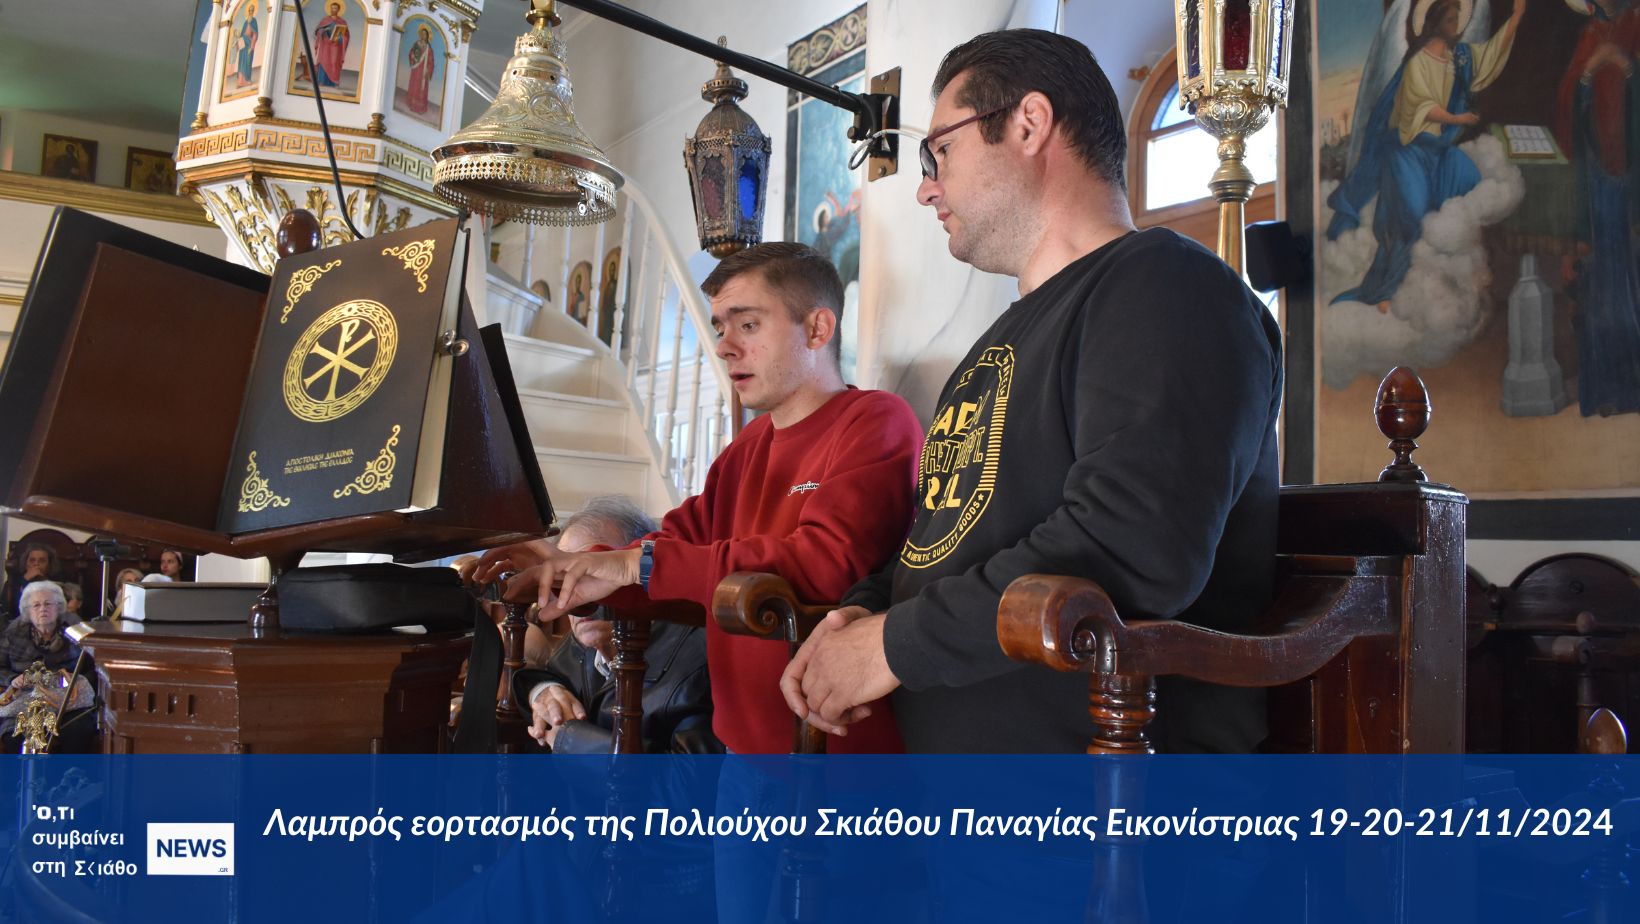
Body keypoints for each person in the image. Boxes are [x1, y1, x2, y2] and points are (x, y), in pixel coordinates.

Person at [781, 29, 1284, 755]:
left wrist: (892, 646)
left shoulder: (1169, 288)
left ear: (1028, 124)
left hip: (1111, 799)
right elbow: (942, 540)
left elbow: (1132, 543)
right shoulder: (1005, 337)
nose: (926, 186)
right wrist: (861, 615)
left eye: (940, 151)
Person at [469, 241, 922, 755]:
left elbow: (826, 563)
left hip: (837, 756)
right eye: (720, 328)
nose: (725, 347)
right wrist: (570, 567)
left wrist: (635, 564)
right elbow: (674, 546)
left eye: (747, 324)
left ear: (817, 329)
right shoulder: (748, 446)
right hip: (740, 752)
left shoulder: (876, 421)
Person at [1327, 0, 1526, 310]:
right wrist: (1458, 119)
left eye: (1457, 20)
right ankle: (1387, 290)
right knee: (1413, 215)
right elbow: (1420, 108)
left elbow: (1489, 56)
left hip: (1439, 151)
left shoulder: (1459, 58)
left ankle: (1442, 287)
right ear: (1434, 23)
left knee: (1469, 181)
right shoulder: (1417, 63)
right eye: (1449, 20)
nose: (1455, 26)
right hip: (1408, 152)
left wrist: (1516, 18)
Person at [511, 496, 720, 754]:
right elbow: (548, 675)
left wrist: (573, 742)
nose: (577, 597)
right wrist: (542, 691)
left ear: (637, 575)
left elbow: (690, 775)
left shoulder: (698, 661)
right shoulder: (580, 645)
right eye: (564, 579)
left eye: (590, 574)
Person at [1555, 0, 1640, 417]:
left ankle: (1630, 386)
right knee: (1602, 279)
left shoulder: (1635, 23)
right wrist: (1591, 70)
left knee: (1629, 275)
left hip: (1629, 176)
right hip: (1596, 176)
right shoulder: (1590, 33)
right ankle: (1605, 387)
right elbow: (1568, 99)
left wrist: (1623, 66)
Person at [4, 544, 59, 624]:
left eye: (42, 561)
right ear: (26, 563)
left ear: (49, 565)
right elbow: (8, 608)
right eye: (32, 560)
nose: (36, 564)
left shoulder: (56, 585)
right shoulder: (13, 583)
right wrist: (25, 580)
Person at [312, 1, 350, 88]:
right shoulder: (325, 20)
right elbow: (318, 31)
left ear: (338, 10)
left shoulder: (342, 22)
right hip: (325, 45)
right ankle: (322, 81)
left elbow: (346, 35)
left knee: (334, 62)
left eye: (335, 8)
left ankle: (333, 83)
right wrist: (323, 30)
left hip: (336, 45)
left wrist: (341, 36)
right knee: (324, 61)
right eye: (332, 8)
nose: (333, 10)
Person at [405, 25, 436, 114]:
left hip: (423, 71)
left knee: (421, 89)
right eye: (422, 34)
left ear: (427, 36)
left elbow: (431, 61)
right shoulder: (417, 44)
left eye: (425, 34)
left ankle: (420, 108)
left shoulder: (429, 49)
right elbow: (412, 52)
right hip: (416, 70)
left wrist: (428, 70)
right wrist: (412, 56)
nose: (423, 36)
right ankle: (412, 104)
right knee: (414, 85)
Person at [233, 1, 259, 88]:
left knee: (247, 61)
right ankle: (240, 82)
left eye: (252, 10)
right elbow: (242, 34)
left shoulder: (254, 21)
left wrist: (252, 46)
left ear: (253, 11)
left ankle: (247, 80)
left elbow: (255, 34)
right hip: (243, 43)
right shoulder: (245, 21)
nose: (251, 12)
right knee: (241, 62)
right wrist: (238, 44)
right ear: (248, 11)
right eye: (250, 10)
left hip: (249, 43)